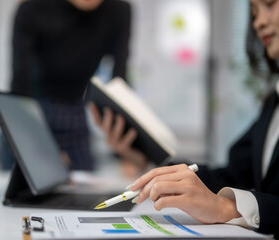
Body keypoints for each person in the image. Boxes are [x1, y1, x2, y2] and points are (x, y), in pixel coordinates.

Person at [89, 0, 279, 237]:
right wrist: (145, 161)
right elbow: (230, 176)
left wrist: (225, 207)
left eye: (269, 4)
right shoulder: (273, 105)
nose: (259, 22)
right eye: (253, 13)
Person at [0, 0, 131, 171]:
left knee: (85, 187)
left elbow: (119, 82)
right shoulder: (32, 8)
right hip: (31, 110)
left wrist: (127, 154)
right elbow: (20, 85)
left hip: (74, 111)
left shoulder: (118, 11)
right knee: (23, 188)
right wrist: (36, 145)